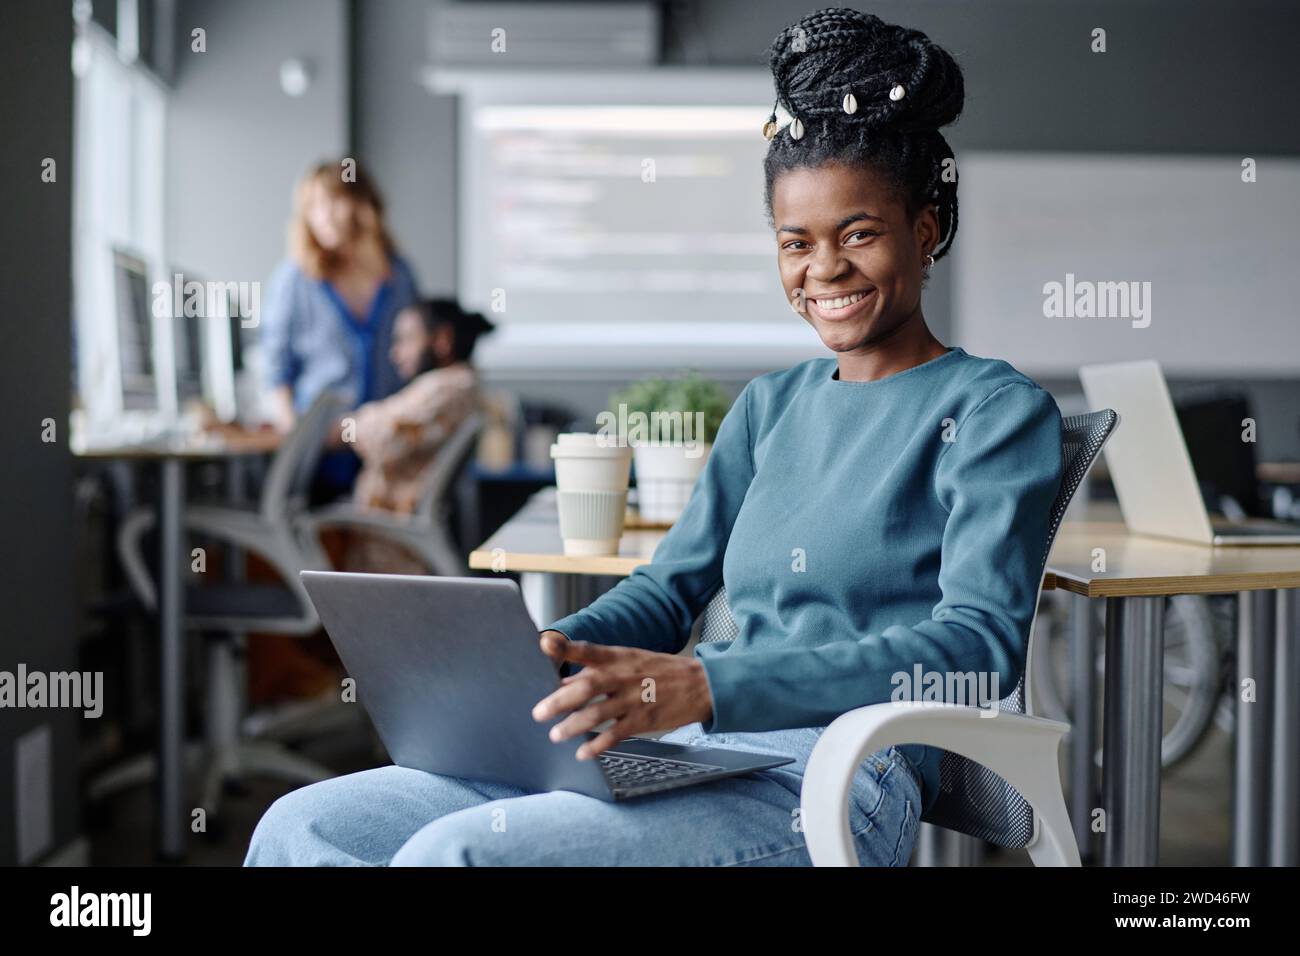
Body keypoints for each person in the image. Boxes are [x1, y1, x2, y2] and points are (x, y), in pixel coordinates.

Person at [246, 8, 1063, 867]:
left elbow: (977, 647)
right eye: (796, 242)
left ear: (924, 231)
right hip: (692, 750)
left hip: (829, 781)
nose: (824, 269)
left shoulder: (994, 409)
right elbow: (670, 589)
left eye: (857, 233)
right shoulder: (770, 406)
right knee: (300, 828)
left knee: (459, 855)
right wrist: (546, 655)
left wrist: (709, 685)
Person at [260, 159, 419, 500]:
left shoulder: (399, 276)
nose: (323, 216)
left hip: (383, 448)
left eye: (332, 202)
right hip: (320, 448)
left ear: (362, 204)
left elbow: (417, 360)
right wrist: (294, 433)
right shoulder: (295, 278)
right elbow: (276, 366)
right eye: (313, 207)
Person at [342, 300, 493, 573]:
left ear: (442, 340)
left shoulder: (447, 387)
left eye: (406, 339)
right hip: (391, 541)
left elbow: (383, 437)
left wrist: (342, 427)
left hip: (393, 547)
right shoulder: (447, 384)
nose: (395, 353)